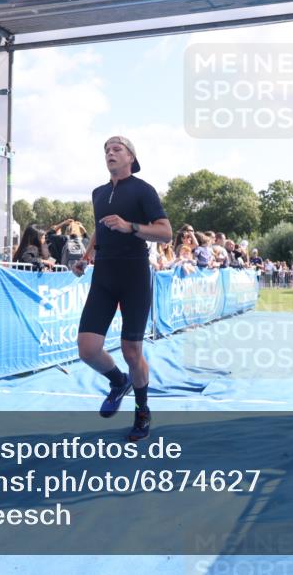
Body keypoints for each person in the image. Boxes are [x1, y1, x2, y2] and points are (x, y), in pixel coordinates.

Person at [71, 136, 171, 442]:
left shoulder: (144, 190)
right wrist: (86, 256)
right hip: (103, 276)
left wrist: (132, 227)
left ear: (131, 158)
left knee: (131, 350)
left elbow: (166, 232)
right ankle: (118, 382)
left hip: (134, 276)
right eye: (106, 150)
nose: (110, 153)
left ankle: (142, 411)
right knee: (87, 350)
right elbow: (100, 229)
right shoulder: (98, 193)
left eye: (117, 149)